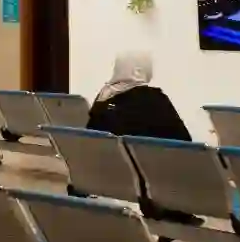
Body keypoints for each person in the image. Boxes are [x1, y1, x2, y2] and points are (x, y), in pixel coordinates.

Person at [85, 51, 202, 227]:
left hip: (104, 181)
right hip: (148, 188)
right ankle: (176, 214)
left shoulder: (102, 99)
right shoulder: (154, 99)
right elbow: (184, 142)